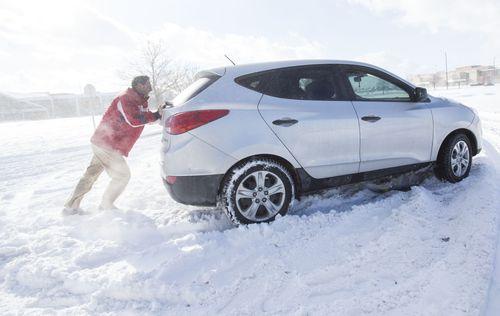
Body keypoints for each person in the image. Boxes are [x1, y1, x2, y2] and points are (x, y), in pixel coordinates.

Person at [62, 76, 161, 215]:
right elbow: (133, 120)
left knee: (90, 175)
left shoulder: (139, 101)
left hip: (103, 143)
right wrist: (156, 116)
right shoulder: (126, 98)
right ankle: (106, 205)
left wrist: (158, 115)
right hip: (107, 144)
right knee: (122, 175)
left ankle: (70, 207)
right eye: (147, 84)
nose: (150, 86)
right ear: (139, 85)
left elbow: (144, 117)